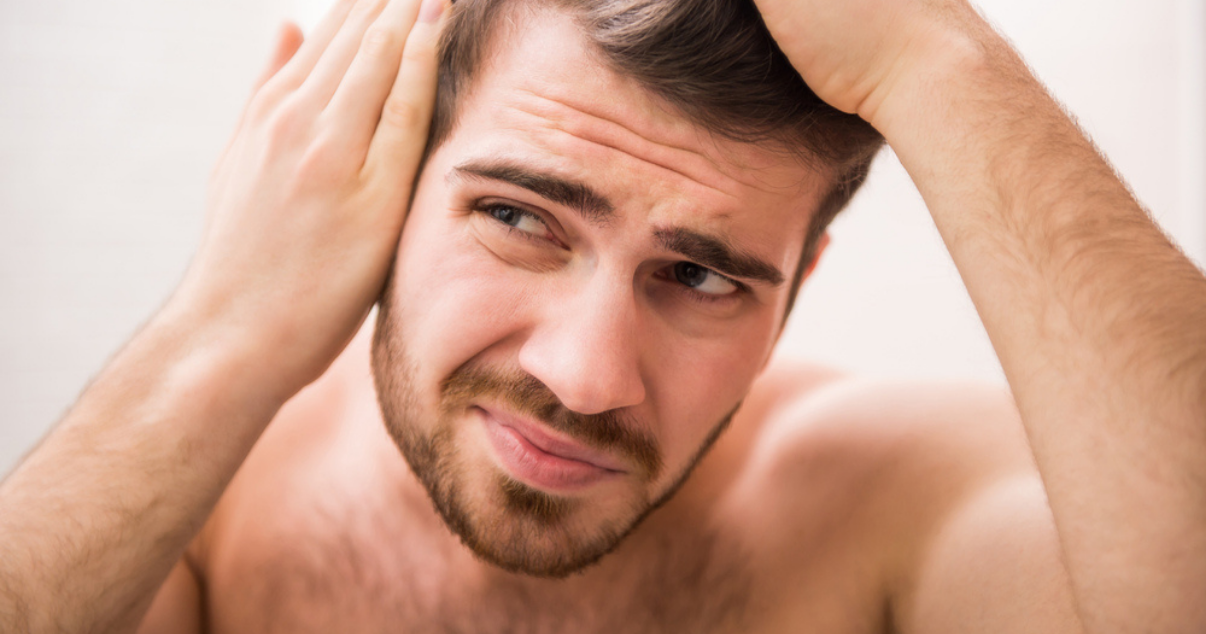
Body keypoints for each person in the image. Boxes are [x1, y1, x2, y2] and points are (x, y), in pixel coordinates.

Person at [1, 0, 1203, 631]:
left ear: (801, 283)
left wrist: (932, 54)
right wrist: (220, 328)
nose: (584, 379)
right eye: (522, 217)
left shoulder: (887, 517)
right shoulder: (203, 512)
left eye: (701, 276)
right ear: (335, 160)